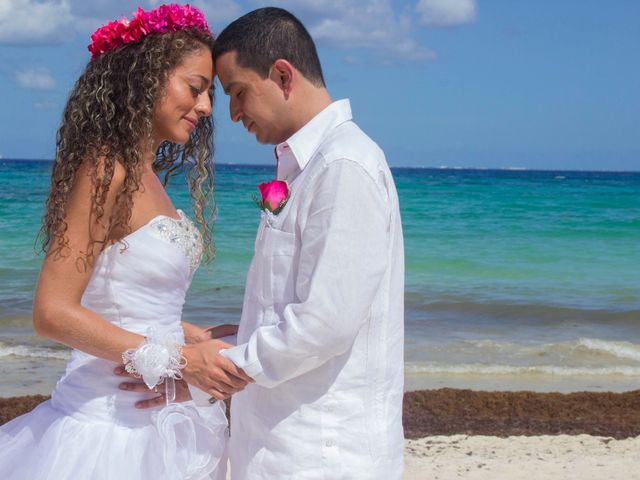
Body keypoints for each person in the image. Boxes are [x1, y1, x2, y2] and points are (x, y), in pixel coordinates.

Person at [0, 4, 250, 479]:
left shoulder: (148, 176)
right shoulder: (104, 170)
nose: (206, 108)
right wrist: (179, 359)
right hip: (107, 431)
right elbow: (51, 312)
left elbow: (128, 299)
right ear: (144, 78)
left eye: (209, 94)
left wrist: (194, 336)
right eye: (195, 89)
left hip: (168, 418)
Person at [212, 7, 405, 479]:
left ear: (282, 75)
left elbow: (324, 323)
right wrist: (222, 337)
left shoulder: (344, 166)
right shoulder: (304, 166)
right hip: (282, 446)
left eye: (238, 93)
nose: (233, 114)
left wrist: (224, 365)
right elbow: (289, 306)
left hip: (322, 453)